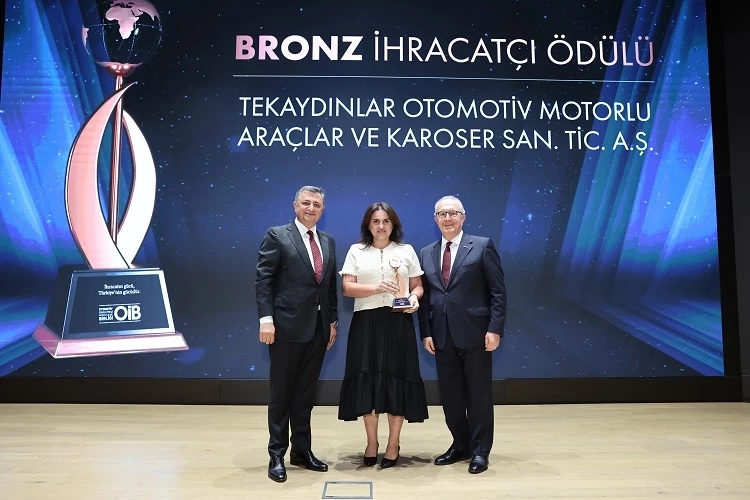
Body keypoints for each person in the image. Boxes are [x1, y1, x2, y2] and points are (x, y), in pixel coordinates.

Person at [417, 195, 506, 475]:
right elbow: (427, 297)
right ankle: (460, 445)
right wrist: (426, 332)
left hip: (476, 334)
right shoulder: (426, 252)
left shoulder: (482, 245)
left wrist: (494, 328)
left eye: (453, 213)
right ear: (435, 219)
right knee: (451, 397)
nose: (447, 218)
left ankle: (480, 451)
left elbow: (497, 292)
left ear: (463, 217)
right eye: (442, 214)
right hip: (441, 337)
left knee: (478, 396)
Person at [255, 185, 338, 483]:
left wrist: (332, 321)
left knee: (305, 394)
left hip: (318, 330)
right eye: (306, 203)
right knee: (282, 394)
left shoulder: (328, 241)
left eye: (316, 204)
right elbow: (263, 280)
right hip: (285, 328)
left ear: (322, 209)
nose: (311, 208)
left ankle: (302, 451)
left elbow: (328, 287)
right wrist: (266, 320)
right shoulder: (277, 235)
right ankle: (276, 454)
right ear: (295, 205)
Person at [338, 202, 428, 469]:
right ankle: (371, 443)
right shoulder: (356, 250)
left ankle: (393, 444)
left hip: (398, 322)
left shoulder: (406, 250)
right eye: (376, 221)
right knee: (368, 381)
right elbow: (347, 288)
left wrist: (414, 297)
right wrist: (376, 288)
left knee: (397, 380)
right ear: (368, 225)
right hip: (365, 323)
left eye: (386, 221)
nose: (381, 226)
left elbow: (418, 286)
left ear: (393, 224)